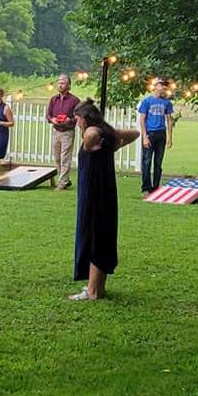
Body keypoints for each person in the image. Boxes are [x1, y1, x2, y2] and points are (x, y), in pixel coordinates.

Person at [69, 98, 139, 301]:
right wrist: (114, 141)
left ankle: (92, 291)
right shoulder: (107, 135)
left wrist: (99, 136)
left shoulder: (93, 135)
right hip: (105, 190)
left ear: (84, 119)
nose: (77, 124)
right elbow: (132, 134)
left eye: (77, 119)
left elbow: (92, 134)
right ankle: (98, 287)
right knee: (102, 234)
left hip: (93, 192)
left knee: (94, 236)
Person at [137, 78, 174, 195]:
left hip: (161, 133)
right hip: (150, 133)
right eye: (160, 85)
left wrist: (169, 137)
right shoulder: (147, 101)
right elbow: (142, 119)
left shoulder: (166, 103)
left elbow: (168, 120)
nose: (163, 87)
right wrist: (144, 136)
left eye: (164, 86)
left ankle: (156, 186)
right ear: (155, 87)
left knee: (158, 162)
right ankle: (146, 187)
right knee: (147, 161)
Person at [46, 75, 80, 190]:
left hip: (67, 131)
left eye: (63, 83)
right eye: (59, 82)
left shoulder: (74, 100)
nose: (60, 85)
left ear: (69, 85)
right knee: (57, 157)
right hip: (56, 130)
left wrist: (69, 120)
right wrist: (53, 120)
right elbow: (48, 115)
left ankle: (62, 182)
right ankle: (65, 180)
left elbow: (79, 116)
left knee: (65, 156)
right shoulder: (53, 99)